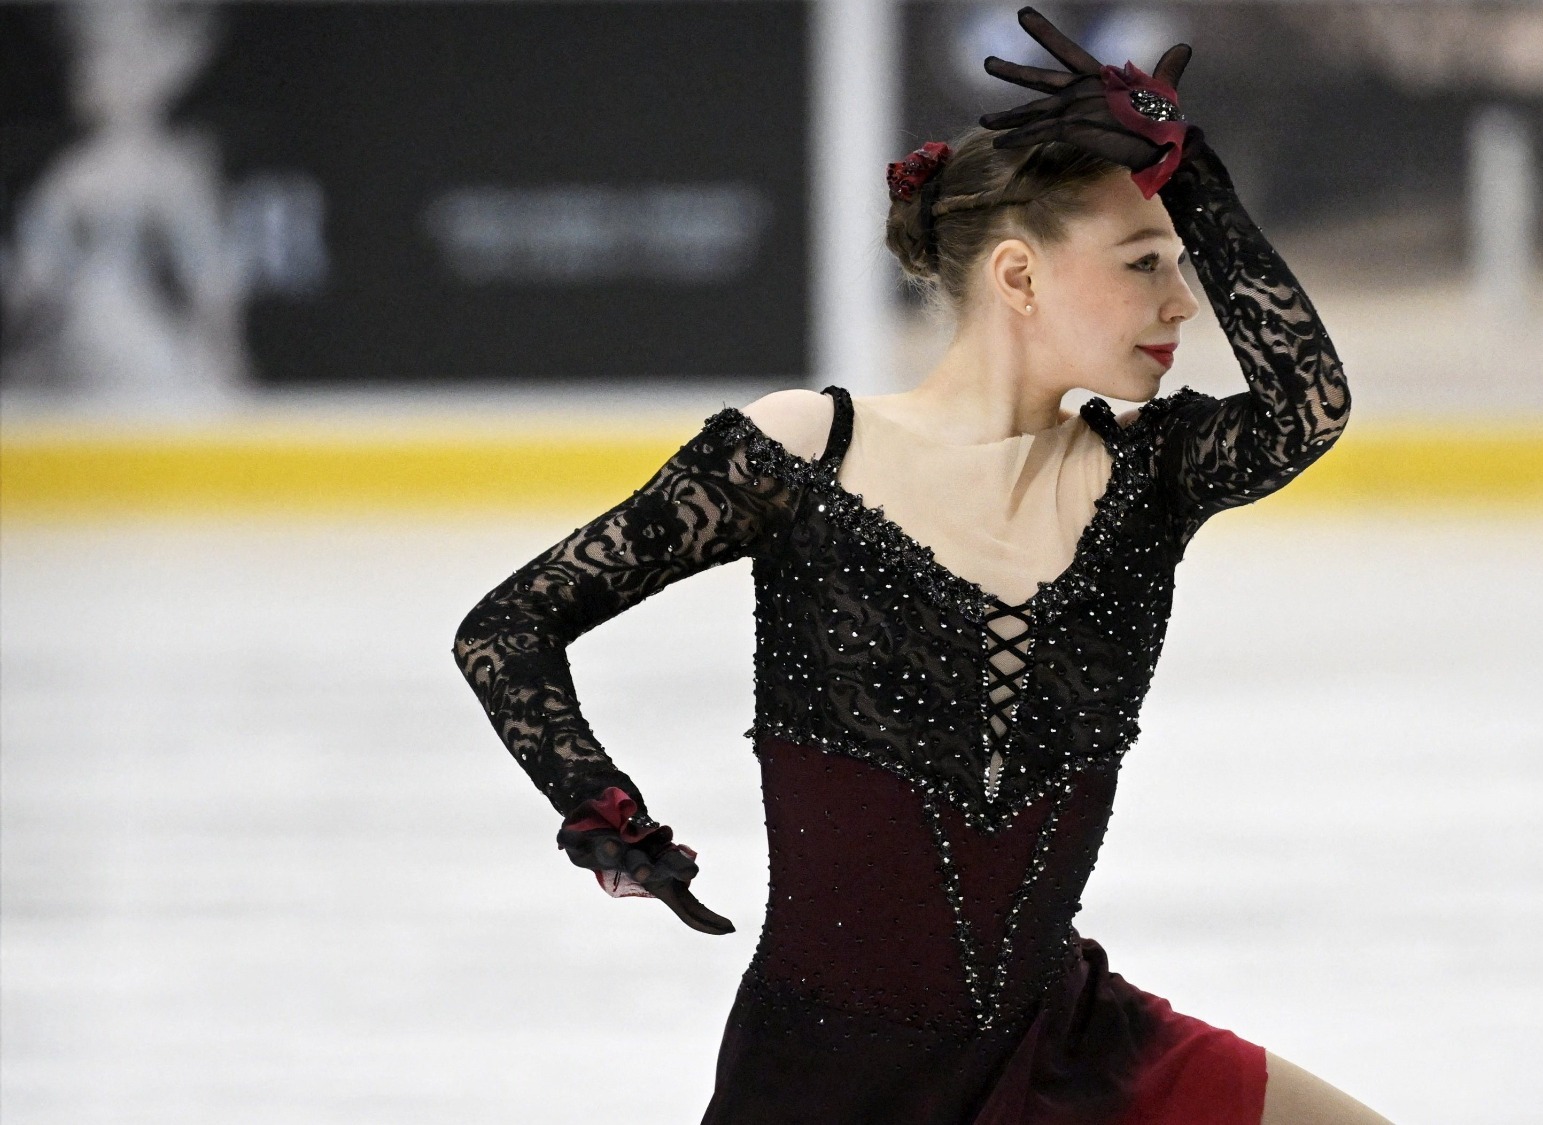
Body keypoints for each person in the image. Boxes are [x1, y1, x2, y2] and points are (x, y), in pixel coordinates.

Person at [454, 8, 1385, 1123]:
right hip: (830, 1077)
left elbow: (1305, 405)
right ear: (1017, 276)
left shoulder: (1153, 476)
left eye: (1178, 266)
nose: (1180, 303)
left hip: (1070, 1050)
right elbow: (508, 627)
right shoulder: (805, 454)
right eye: (1144, 265)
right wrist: (599, 806)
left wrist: (1189, 177)